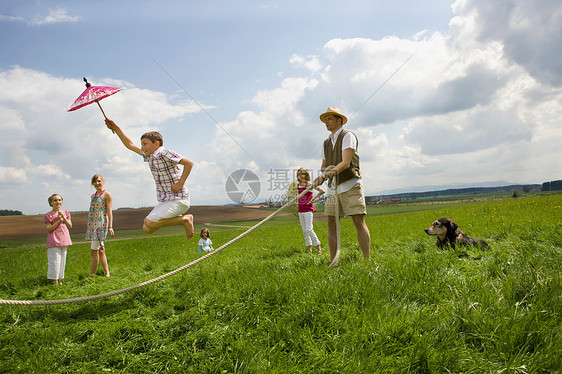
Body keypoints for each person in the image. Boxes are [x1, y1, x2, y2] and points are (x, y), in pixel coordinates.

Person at [105, 119, 194, 239]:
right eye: (141, 144)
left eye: (145, 144)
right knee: (147, 228)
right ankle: (181, 219)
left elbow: (189, 163)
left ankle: (185, 220)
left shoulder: (165, 153)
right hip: (166, 200)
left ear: (156, 144)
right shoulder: (150, 156)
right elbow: (130, 145)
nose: (142, 147)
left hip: (179, 199)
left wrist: (180, 183)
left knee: (149, 222)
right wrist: (115, 128)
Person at [313, 107, 371, 263]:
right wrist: (321, 177)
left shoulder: (348, 136)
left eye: (329, 118)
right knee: (331, 221)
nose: (326, 121)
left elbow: (345, 163)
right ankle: (333, 261)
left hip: (350, 184)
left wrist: (325, 175)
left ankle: (367, 260)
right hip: (333, 188)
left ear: (339, 120)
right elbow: (324, 165)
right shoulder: (326, 143)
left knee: (358, 221)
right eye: (325, 119)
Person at [85, 174, 114, 277]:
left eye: (99, 181)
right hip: (93, 225)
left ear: (103, 181)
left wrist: (110, 226)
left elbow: (109, 211)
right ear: (92, 184)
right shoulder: (93, 196)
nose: (97, 183)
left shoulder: (106, 194)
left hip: (101, 225)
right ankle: (107, 273)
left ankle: (91, 275)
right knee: (101, 251)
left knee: (94, 251)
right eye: (95, 182)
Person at [44, 194, 73, 285]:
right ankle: (54, 281)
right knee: (55, 261)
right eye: (55, 200)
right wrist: (58, 221)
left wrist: (63, 217)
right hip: (54, 241)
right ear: (51, 203)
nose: (58, 202)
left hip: (64, 240)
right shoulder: (48, 215)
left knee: (62, 261)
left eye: (60, 200)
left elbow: (69, 226)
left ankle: (60, 279)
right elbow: (49, 229)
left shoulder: (66, 213)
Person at [296, 167, 324, 254]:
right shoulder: (298, 185)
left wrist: (313, 199)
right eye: (299, 174)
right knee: (304, 230)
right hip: (300, 209)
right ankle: (309, 249)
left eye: (302, 174)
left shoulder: (309, 184)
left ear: (306, 175)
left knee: (309, 229)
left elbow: (321, 191)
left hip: (308, 209)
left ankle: (318, 247)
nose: (300, 176)